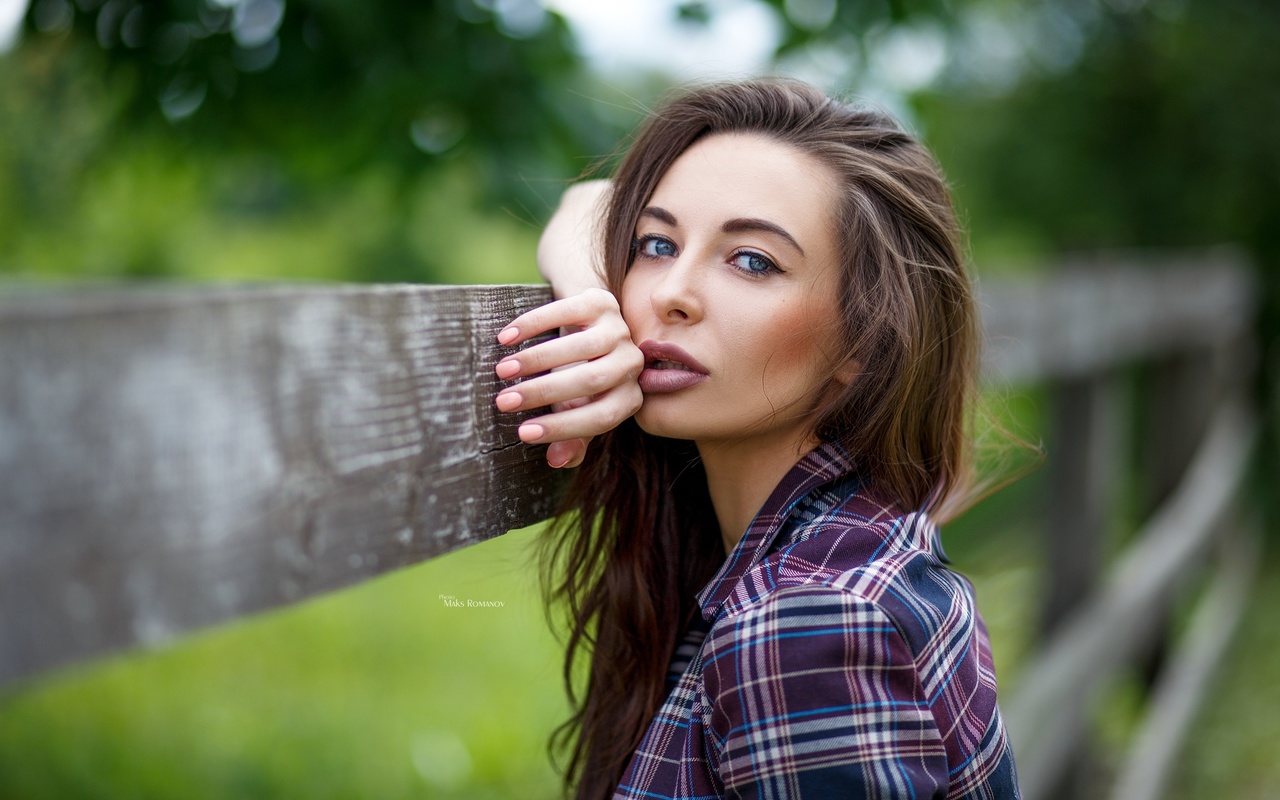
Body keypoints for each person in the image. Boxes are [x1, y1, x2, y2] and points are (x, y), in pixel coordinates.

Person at [493, 80, 1021, 800]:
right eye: (656, 243)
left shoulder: (806, 622)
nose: (670, 293)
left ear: (863, 343)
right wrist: (595, 306)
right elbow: (586, 204)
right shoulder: (862, 542)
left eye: (752, 261)